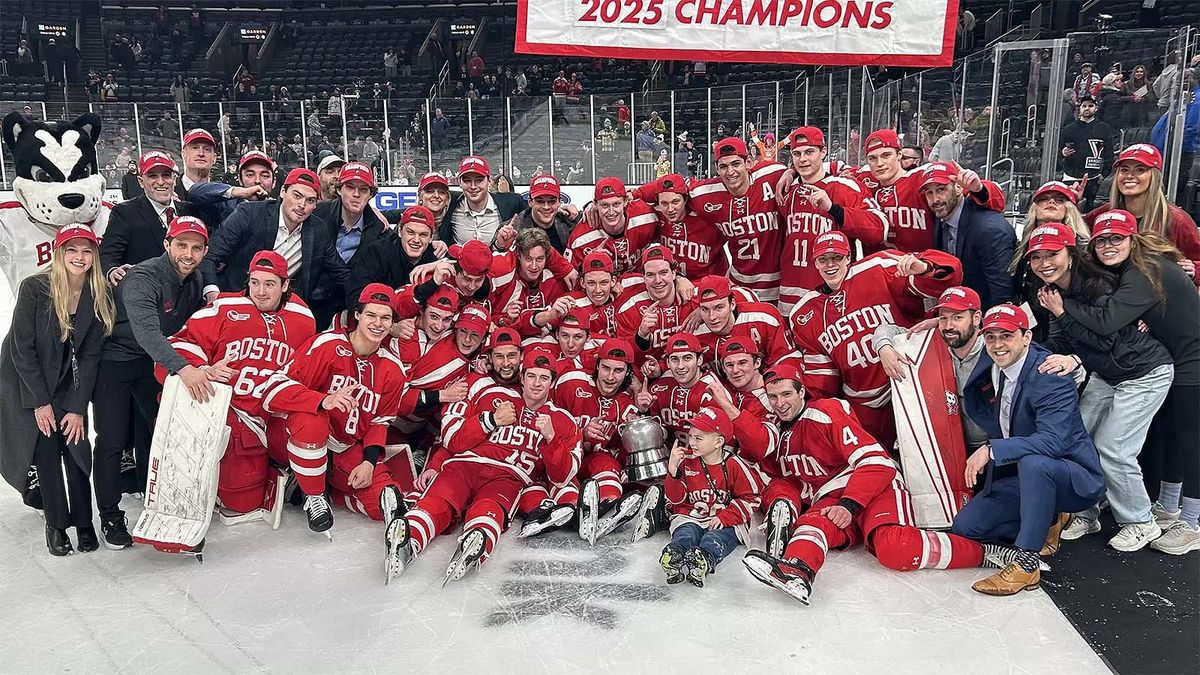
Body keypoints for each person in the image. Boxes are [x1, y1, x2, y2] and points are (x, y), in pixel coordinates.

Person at [740, 364, 988, 605]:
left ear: (801, 391)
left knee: (895, 548)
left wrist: (849, 505)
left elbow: (876, 462)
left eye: (786, 394)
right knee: (811, 523)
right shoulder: (777, 435)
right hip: (832, 496)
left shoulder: (826, 412)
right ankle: (797, 572)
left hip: (873, 485)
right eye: (772, 397)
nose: (779, 403)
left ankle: (986, 552)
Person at [1049, 210, 1200, 555]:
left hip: (1189, 358)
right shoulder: (1121, 269)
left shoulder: (1145, 270)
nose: (1108, 245)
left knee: (1188, 440)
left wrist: (1062, 309)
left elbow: (1107, 321)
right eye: (1101, 240)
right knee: (1166, 437)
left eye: (1116, 238)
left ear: (1133, 239)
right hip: (1157, 355)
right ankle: (1166, 508)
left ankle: (1192, 522)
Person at [1019, 222, 1175, 551]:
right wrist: (1028, 353)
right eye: (1036, 257)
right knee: (1079, 439)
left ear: (1071, 255)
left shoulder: (1097, 283)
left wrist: (1063, 314)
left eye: (1052, 254)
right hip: (1107, 373)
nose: (1044, 263)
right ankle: (1086, 513)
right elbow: (1062, 338)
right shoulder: (1048, 291)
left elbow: (1104, 340)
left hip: (1144, 371)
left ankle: (1140, 521)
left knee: (1113, 448)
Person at [389, 349, 582, 583]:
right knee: (439, 500)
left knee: (489, 508)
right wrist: (491, 419)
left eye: (544, 378)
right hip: (465, 465)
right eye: (531, 376)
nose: (537, 383)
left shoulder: (564, 421)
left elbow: (562, 477)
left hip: (509, 476)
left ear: (552, 382)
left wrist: (551, 440)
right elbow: (455, 440)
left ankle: (476, 543)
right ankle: (408, 539)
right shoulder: (492, 395)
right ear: (522, 377)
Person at [953, 304, 1104, 595]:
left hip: (1072, 475)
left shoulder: (1049, 374)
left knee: (1035, 463)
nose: (998, 344)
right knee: (967, 527)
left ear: (1027, 337)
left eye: (1006, 336)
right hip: (1021, 476)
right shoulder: (994, 359)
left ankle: (1026, 563)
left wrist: (991, 449)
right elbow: (958, 338)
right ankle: (1049, 519)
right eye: (991, 337)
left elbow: (1054, 442)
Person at [164, 252, 316, 526]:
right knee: (240, 504)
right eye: (254, 282)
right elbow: (177, 345)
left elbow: (307, 370)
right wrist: (204, 369)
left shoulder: (303, 318)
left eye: (269, 284)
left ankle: (288, 470)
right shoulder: (225, 307)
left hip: (274, 412)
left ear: (285, 285)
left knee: (313, 420)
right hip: (232, 413)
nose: (260, 291)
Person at [92, 216, 212, 549]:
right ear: (167, 244)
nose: (188, 254)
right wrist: (185, 369)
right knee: (112, 439)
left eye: (196, 248)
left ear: (205, 251)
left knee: (157, 433)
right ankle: (109, 515)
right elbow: (148, 333)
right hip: (115, 362)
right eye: (181, 245)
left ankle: (156, 499)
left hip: (151, 364)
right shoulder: (142, 277)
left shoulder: (194, 279)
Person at [260, 283, 408, 543]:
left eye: (385, 318)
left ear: (392, 323)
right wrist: (322, 400)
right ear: (357, 315)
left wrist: (369, 462)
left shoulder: (393, 369)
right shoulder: (327, 344)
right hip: (293, 436)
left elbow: (379, 422)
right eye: (371, 315)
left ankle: (331, 490)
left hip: (343, 445)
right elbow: (272, 390)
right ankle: (314, 495)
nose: (378, 324)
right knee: (312, 418)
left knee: (380, 502)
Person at [789, 230, 962, 451]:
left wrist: (924, 268)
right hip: (863, 405)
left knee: (937, 455)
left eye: (837, 257)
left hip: (912, 383)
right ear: (814, 263)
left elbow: (951, 274)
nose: (830, 264)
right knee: (876, 461)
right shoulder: (803, 314)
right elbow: (823, 380)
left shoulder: (879, 267)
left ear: (849, 257)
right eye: (823, 259)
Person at [0, 225, 114, 556]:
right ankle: (56, 524)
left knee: (77, 446)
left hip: (70, 378)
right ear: (59, 253)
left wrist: (77, 408)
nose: (79, 257)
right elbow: (22, 350)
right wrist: (40, 402)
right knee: (47, 450)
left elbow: (90, 356)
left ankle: (84, 522)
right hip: (28, 377)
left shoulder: (99, 292)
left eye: (87, 251)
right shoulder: (35, 287)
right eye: (72, 250)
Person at [775, 126, 889, 313]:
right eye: (797, 154)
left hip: (834, 293)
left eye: (809, 152)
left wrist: (834, 209)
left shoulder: (845, 186)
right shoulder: (787, 190)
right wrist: (790, 172)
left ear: (824, 152)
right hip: (790, 294)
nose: (802, 159)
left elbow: (879, 228)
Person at [200, 168, 349, 303]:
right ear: (283, 192)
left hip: (280, 308)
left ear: (316, 204)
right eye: (297, 196)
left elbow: (341, 273)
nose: (302, 205)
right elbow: (210, 255)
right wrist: (213, 293)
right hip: (237, 298)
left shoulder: (318, 230)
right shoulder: (249, 213)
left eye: (310, 200)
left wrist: (360, 303)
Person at [661, 405, 762, 587]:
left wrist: (726, 517)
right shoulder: (686, 462)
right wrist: (673, 470)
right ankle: (674, 555)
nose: (692, 442)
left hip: (725, 520)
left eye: (698, 438)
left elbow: (752, 498)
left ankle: (704, 559)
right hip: (691, 516)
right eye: (690, 436)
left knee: (715, 539)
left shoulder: (734, 465)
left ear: (718, 442)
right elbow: (675, 500)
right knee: (685, 534)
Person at [859, 128, 1006, 253]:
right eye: (872, 158)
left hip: (926, 270)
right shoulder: (862, 184)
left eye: (886, 155)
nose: (880, 163)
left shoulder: (924, 175)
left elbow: (996, 201)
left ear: (899, 155)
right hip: (880, 272)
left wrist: (979, 189)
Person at [688, 137, 788, 303]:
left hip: (780, 285)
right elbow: (671, 191)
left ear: (748, 163)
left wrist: (792, 172)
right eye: (723, 167)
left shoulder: (773, 174)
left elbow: (809, 169)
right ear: (716, 169)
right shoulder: (704, 194)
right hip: (740, 287)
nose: (730, 172)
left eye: (735, 164)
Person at [1085, 144, 1200, 283]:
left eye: (1140, 170)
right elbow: (1075, 236)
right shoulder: (1104, 214)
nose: (1129, 176)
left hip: (1156, 292)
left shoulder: (1176, 219)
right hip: (1113, 290)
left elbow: (1197, 259)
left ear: (1154, 176)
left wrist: (1195, 270)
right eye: (1124, 170)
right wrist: (1070, 204)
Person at [923, 162, 1017, 308]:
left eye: (941, 189)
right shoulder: (942, 216)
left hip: (984, 313)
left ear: (959, 188)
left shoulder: (989, 230)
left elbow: (1002, 292)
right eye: (929, 192)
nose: (935, 199)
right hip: (959, 309)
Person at [309, 162, 388, 328]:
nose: (356, 194)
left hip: (347, 309)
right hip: (308, 300)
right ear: (339, 189)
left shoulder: (378, 229)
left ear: (371, 195)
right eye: (350, 187)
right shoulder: (317, 213)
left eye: (363, 189)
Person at [103, 152, 201, 283]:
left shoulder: (189, 210)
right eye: (153, 176)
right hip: (145, 289)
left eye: (166, 175)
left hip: (189, 291)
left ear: (174, 179)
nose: (161, 182)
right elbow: (108, 254)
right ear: (141, 181)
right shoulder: (124, 213)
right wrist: (112, 270)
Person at [638, 173, 728, 280]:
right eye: (664, 203)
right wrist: (635, 194)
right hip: (676, 281)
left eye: (675, 202)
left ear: (685, 200)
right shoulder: (657, 216)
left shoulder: (706, 216)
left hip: (712, 283)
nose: (670, 209)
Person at [567, 177, 658, 274]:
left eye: (616, 204)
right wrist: (590, 262)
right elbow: (570, 277)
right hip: (602, 283)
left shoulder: (646, 216)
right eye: (604, 205)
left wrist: (637, 193)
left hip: (640, 280)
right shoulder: (580, 238)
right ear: (596, 205)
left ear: (625, 201)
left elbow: (666, 189)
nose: (611, 212)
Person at [441, 156, 525, 246]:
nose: (473, 186)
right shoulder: (450, 203)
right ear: (459, 182)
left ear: (489, 181)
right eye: (467, 181)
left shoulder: (512, 202)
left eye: (479, 180)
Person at [188, 150, 276, 229]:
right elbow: (195, 193)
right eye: (250, 175)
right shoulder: (226, 207)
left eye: (265, 176)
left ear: (274, 182)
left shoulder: (280, 211)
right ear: (240, 179)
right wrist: (240, 192)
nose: (257, 180)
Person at [1059, 96, 1115, 210]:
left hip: (1094, 178)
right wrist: (1062, 153)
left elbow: (1109, 155)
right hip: (1071, 176)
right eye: (1084, 106)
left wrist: (1103, 174)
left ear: (1096, 108)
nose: (1087, 108)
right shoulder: (1068, 129)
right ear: (1079, 108)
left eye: (1090, 106)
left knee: (1089, 210)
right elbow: (1057, 151)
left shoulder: (1104, 129)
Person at [508, 174, 580, 253]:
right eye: (540, 201)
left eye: (552, 201)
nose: (546, 207)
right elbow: (498, 252)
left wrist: (589, 208)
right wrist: (500, 246)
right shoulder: (514, 228)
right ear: (530, 202)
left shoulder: (569, 221)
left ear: (559, 202)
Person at [175, 128, 216, 202]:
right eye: (195, 148)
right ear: (183, 154)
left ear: (214, 158)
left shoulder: (224, 197)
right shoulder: (169, 192)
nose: (201, 153)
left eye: (206, 149)